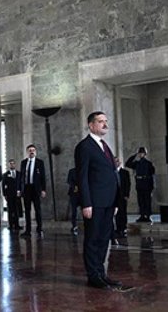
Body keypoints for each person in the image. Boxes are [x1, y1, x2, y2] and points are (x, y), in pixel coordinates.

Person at [74, 111, 123, 290]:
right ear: (91, 125)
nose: (105, 125)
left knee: (104, 239)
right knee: (93, 239)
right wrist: (86, 203)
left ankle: (101, 273)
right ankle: (93, 276)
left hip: (109, 202)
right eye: (101, 122)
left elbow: (111, 174)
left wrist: (116, 202)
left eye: (106, 121)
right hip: (94, 203)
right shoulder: (84, 146)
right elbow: (83, 177)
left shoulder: (104, 145)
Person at [18, 145, 46, 238]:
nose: (31, 152)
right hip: (26, 189)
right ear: (27, 152)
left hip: (36, 189)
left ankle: (39, 229)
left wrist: (43, 189)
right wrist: (19, 189)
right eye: (30, 150)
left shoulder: (39, 163)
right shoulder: (23, 162)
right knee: (27, 210)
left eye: (33, 150)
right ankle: (28, 230)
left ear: (36, 152)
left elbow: (43, 177)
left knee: (38, 210)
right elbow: (21, 177)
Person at [126, 147, 155, 222]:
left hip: (147, 184)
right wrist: (134, 155)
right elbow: (127, 163)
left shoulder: (149, 164)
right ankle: (142, 215)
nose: (140, 154)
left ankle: (148, 216)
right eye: (139, 153)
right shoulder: (137, 163)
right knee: (141, 201)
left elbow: (152, 175)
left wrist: (151, 186)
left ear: (145, 154)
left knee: (147, 201)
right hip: (139, 184)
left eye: (142, 153)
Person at [2, 159, 22, 231]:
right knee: (10, 210)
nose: (12, 165)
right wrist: (5, 194)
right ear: (8, 165)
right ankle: (10, 225)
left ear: (15, 165)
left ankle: (17, 225)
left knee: (17, 210)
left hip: (17, 194)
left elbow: (21, 183)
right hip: (9, 195)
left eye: (13, 163)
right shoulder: (5, 175)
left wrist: (20, 191)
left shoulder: (19, 174)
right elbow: (3, 185)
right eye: (10, 164)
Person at [114, 157, 131, 239]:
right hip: (115, 196)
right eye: (115, 161)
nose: (116, 162)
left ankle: (123, 228)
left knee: (123, 212)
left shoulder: (125, 172)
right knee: (116, 213)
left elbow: (128, 184)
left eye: (117, 161)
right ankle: (118, 228)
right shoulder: (112, 172)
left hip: (123, 195)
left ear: (120, 162)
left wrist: (127, 195)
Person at [66, 167, 80, 236]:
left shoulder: (84, 169)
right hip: (74, 193)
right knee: (74, 211)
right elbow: (69, 181)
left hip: (82, 194)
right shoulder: (71, 171)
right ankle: (74, 225)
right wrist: (75, 187)